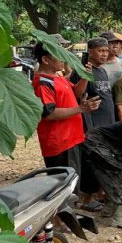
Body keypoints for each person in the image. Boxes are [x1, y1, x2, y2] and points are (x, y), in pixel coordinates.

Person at [32, 41, 100, 179]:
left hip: (71, 138)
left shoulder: (58, 78)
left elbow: (75, 92)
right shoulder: (43, 83)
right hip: (59, 143)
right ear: (45, 60)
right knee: (63, 184)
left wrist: (85, 76)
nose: (63, 58)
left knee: (72, 181)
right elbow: (49, 113)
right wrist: (81, 108)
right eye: (58, 55)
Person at [72, 36, 115, 129]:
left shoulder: (102, 70)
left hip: (108, 122)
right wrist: (86, 76)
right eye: (101, 51)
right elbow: (76, 95)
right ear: (90, 52)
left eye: (106, 51)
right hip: (94, 125)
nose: (105, 54)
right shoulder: (81, 70)